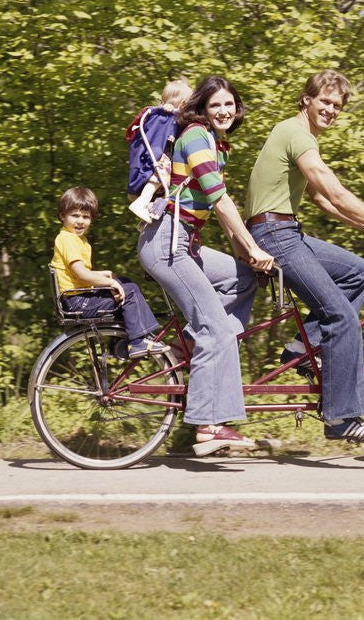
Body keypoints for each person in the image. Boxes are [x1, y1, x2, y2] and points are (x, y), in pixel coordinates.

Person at [243, 69, 364, 442]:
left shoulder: (297, 135)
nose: (331, 109)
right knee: (342, 318)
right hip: (275, 234)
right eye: (325, 101)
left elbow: (318, 199)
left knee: (357, 271)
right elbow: (335, 192)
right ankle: (342, 417)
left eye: (337, 105)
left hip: (284, 230)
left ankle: (301, 350)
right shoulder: (296, 134)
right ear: (306, 99)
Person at [137, 75, 275, 457]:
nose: (224, 111)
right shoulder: (196, 136)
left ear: (237, 107)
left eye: (229, 104)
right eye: (216, 105)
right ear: (203, 108)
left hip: (185, 243)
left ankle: (197, 351)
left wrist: (248, 257)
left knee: (242, 278)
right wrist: (252, 245)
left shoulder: (216, 144)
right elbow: (219, 200)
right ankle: (210, 425)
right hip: (167, 243)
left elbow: (220, 211)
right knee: (219, 330)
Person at [51, 187, 168, 359]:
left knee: (125, 283)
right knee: (130, 291)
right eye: (75, 215)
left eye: (86, 217)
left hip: (77, 298)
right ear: (62, 216)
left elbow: (75, 272)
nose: (80, 221)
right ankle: (137, 342)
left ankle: (119, 343)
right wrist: (110, 283)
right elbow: (82, 275)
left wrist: (104, 274)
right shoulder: (68, 239)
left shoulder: (76, 239)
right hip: (77, 301)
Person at [125, 78, 194, 222]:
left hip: (161, 164)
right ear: (182, 104)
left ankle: (148, 207)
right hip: (158, 162)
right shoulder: (163, 115)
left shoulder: (172, 118)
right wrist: (167, 109)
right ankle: (142, 201)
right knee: (162, 173)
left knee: (167, 180)